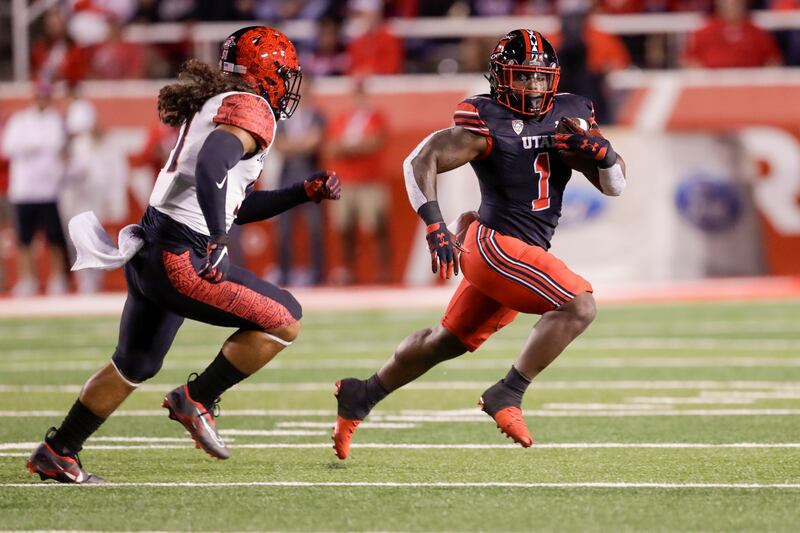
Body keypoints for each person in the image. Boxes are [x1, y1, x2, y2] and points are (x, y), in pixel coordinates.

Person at [25, 26, 341, 484]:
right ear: (266, 72)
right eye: (286, 73)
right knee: (285, 319)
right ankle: (197, 397)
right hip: (180, 254)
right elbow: (213, 165)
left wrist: (301, 192)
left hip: (153, 247)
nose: (290, 84)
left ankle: (59, 451)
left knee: (135, 365)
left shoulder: (220, 103)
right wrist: (218, 238)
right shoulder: (252, 108)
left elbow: (231, 201)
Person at [331, 29, 627, 459]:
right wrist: (434, 224)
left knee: (444, 341)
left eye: (540, 77)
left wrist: (603, 154)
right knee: (579, 306)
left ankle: (363, 393)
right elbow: (420, 160)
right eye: (523, 76)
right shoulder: (487, 120)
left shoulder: (571, 114)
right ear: (500, 78)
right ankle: (509, 391)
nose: (533, 86)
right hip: (494, 245)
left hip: (520, 253)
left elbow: (615, 186)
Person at [1, 82, 70, 296]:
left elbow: (56, 144)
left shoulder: (55, 120)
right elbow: (7, 147)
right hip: (23, 189)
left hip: (47, 189)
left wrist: (30, 147)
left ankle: (58, 278)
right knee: (24, 239)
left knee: (54, 237)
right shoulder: (20, 120)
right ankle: (27, 278)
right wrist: (38, 146)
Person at [326, 78, 390, 284]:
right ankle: (349, 271)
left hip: (370, 181)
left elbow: (373, 143)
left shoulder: (375, 117)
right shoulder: (342, 118)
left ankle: (382, 272)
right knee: (345, 228)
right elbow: (331, 147)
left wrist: (347, 148)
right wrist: (357, 147)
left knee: (377, 227)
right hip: (346, 181)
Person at [274, 78, 327, 286]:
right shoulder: (283, 118)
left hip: (311, 177)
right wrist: (302, 144)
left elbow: (314, 143)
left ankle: (317, 273)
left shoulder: (317, 115)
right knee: (284, 229)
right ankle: (284, 272)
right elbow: (279, 146)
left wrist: (293, 146)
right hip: (287, 178)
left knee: (315, 228)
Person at [683, 0, 782, 68]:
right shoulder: (704, 33)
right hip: (712, 86)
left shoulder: (758, 33)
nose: (731, 6)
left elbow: (773, 61)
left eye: (736, 3)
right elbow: (691, 61)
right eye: (728, 2)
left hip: (751, 86)